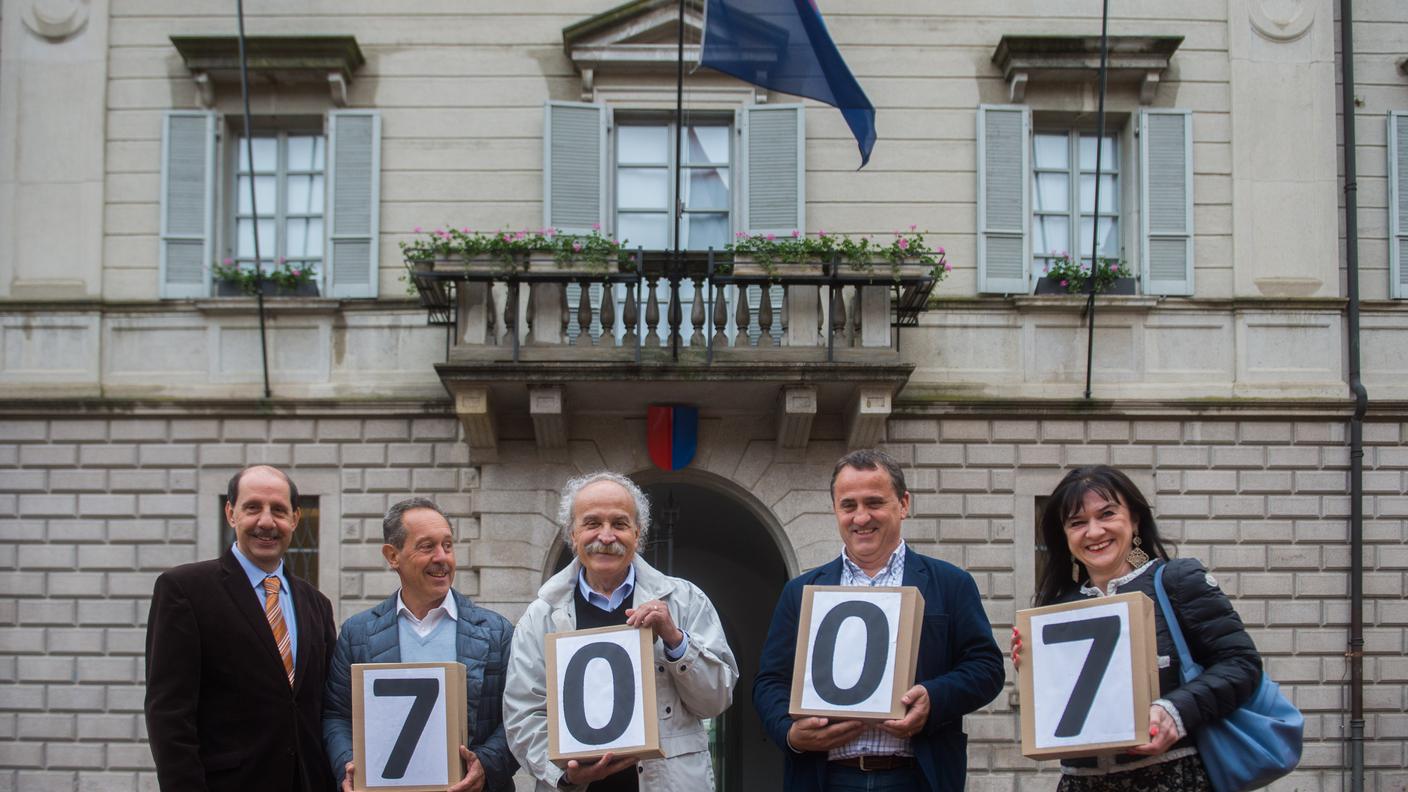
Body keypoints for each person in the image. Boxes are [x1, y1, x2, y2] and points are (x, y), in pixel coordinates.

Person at [753, 449, 1005, 792]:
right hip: (826, 777)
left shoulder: (951, 583)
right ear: (835, 510)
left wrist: (934, 698)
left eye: (874, 503)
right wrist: (790, 732)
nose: (861, 517)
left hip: (917, 776)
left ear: (903, 504)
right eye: (849, 505)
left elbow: (986, 667)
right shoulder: (801, 592)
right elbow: (769, 681)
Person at [1013, 465, 1263, 790]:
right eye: (1077, 523)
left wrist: (1175, 711)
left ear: (1134, 520)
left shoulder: (1177, 580)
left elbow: (1241, 665)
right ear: (1064, 536)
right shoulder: (1055, 607)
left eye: (1107, 515)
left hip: (1171, 777)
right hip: (1080, 782)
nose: (1094, 531)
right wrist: (1035, 671)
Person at [503, 471, 738, 791]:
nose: (606, 535)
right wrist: (565, 775)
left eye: (619, 523)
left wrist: (675, 639)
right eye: (592, 523)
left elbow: (716, 699)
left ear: (637, 534)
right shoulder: (541, 615)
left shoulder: (686, 600)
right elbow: (522, 714)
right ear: (572, 534)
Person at [145, 464, 337, 792]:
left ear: (295, 519)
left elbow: (325, 706)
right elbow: (169, 714)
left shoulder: (316, 604)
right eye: (253, 508)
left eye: (278, 510)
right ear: (231, 513)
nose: (266, 521)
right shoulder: (185, 590)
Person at [323, 497, 518, 792]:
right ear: (392, 556)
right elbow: (336, 716)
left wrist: (486, 765)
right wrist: (347, 764)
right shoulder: (357, 633)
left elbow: (517, 715)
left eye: (448, 546)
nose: (442, 557)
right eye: (427, 547)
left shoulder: (496, 631)